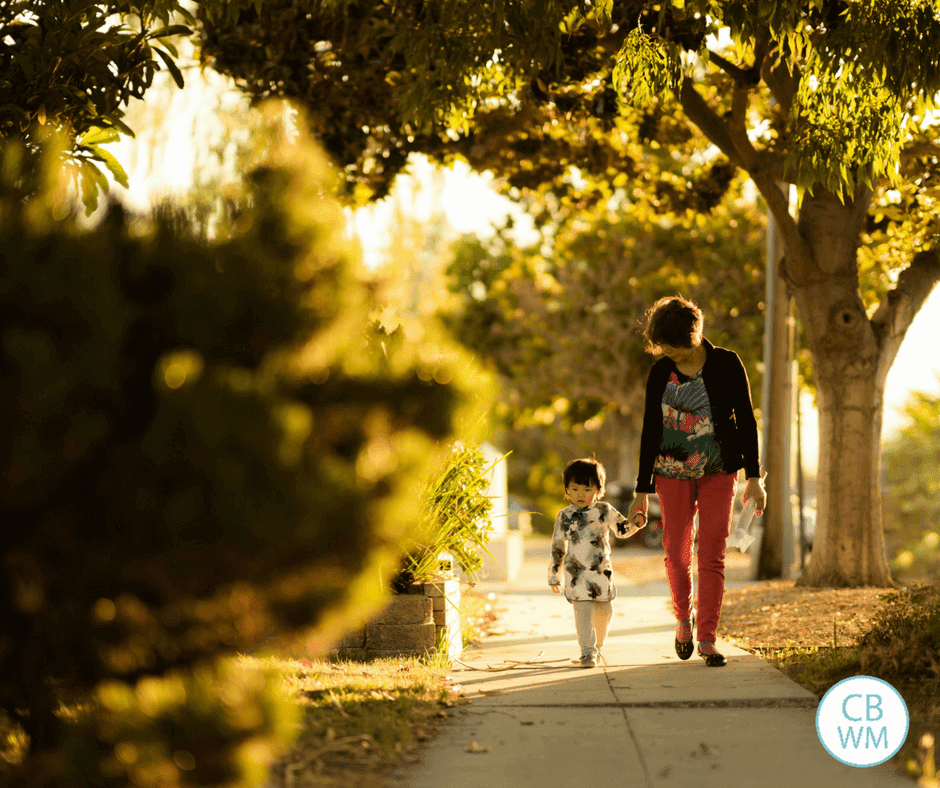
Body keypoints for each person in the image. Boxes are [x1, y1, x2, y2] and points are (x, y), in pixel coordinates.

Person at [627, 296, 766, 668]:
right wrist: (641, 490)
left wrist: (754, 477)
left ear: (693, 335)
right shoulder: (660, 372)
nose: (666, 352)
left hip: (720, 470)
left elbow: (746, 422)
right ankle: (682, 619)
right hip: (670, 473)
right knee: (675, 551)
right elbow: (650, 429)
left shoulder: (726, 363)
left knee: (712, 552)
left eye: (671, 346)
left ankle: (707, 636)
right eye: (662, 347)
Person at [548, 458, 642, 668]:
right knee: (582, 613)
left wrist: (635, 524)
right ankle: (587, 651)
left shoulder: (604, 510)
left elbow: (622, 530)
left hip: (601, 573)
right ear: (567, 490)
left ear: (598, 490)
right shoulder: (565, 516)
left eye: (587, 488)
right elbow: (557, 546)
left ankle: (598, 644)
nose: (581, 494)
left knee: (604, 611)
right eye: (575, 489)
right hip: (576, 575)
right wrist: (554, 575)